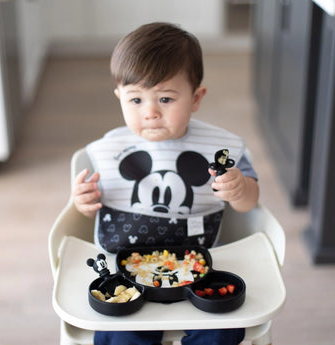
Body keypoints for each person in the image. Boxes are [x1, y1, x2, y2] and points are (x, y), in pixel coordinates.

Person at [72, 22, 259, 345]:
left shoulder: (217, 149)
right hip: (124, 275)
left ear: (196, 97)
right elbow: (86, 212)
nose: (151, 113)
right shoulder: (109, 151)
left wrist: (240, 188)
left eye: (166, 99)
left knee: (225, 329)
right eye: (135, 100)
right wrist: (82, 202)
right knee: (119, 334)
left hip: (197, 272)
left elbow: (249, 202)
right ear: (119, 97)